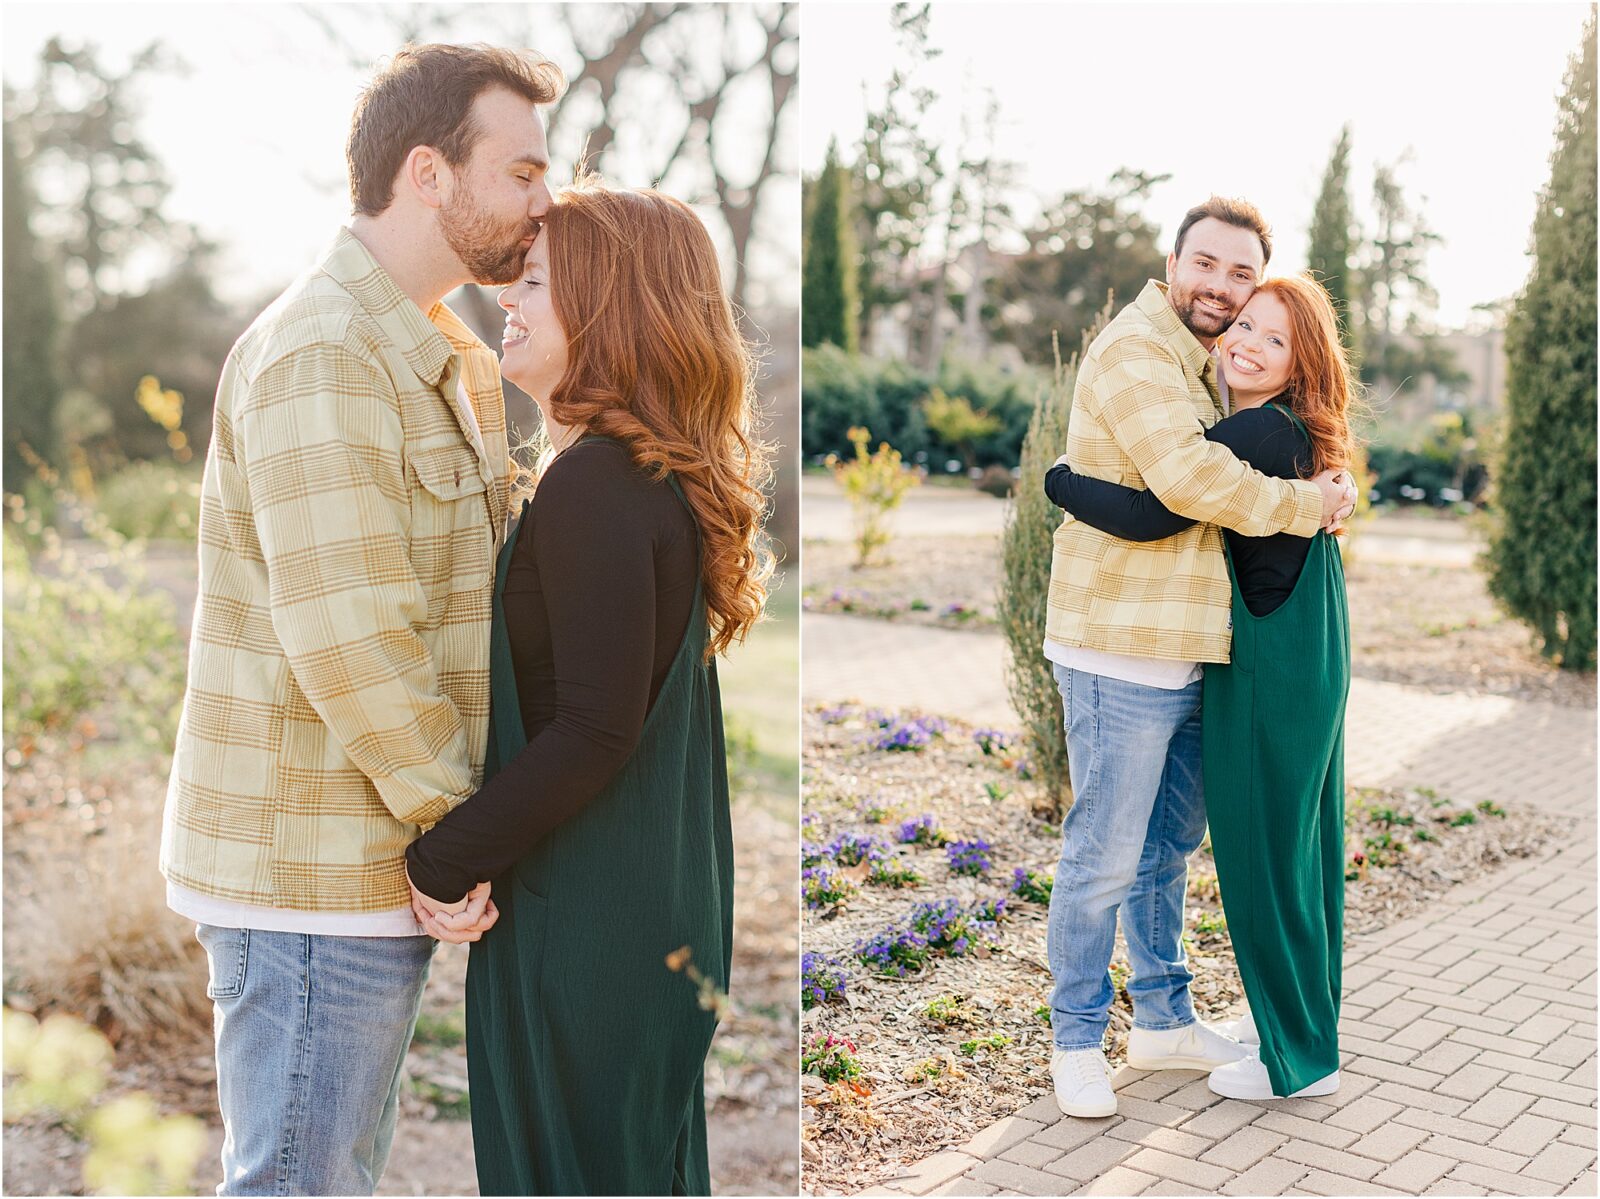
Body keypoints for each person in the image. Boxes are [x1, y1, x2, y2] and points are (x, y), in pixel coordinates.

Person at [159, 44, 562, 1195]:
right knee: (297, 1181)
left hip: (365, 856)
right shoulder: (329, 351)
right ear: (428, 172)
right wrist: (458, 828)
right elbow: (350, 634)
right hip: (306, 869)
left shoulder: (433, 345)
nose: (545, 201)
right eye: (522, 171)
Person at [403, 180, 773, 1195]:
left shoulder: (599, 483)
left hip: (590, 922)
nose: (506, 302)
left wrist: (441, 857)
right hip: (637, 904)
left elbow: (596, 728)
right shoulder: (636, 477)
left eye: (531, 281)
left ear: (610, 308)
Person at [1038, 197, 1359, 1118]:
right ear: (1172, 261)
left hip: (1197, 651)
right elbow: (1186, 484)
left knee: (1165, 850)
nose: (1222, 290)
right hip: (1121, 650)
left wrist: (1067, 483)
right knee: (1104, 853)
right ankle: (1075, 1036)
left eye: (1242, 278)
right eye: (1207, 266)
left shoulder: (1207, 368)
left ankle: (1166, 1020)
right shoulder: (1142, 352)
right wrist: (1314, 500)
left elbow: (1181, 498)